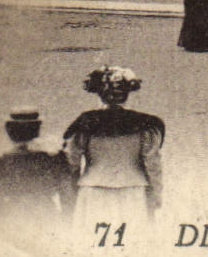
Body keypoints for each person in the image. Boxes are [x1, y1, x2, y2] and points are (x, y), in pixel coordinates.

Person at [63, 66, 164, 226]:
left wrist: (70, 192)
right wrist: (156, 193)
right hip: (133, 190)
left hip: (93, 190)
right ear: (126, 95)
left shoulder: (85, 124)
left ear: (99, 94)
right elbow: (153, 163)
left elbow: (71, 161)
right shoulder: (144, 125)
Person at [0, 108, 76, 231]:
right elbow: (67, 197)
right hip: (46, 219)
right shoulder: (54, 160)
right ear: (37, 130)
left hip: (11, 222)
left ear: (9, 130)